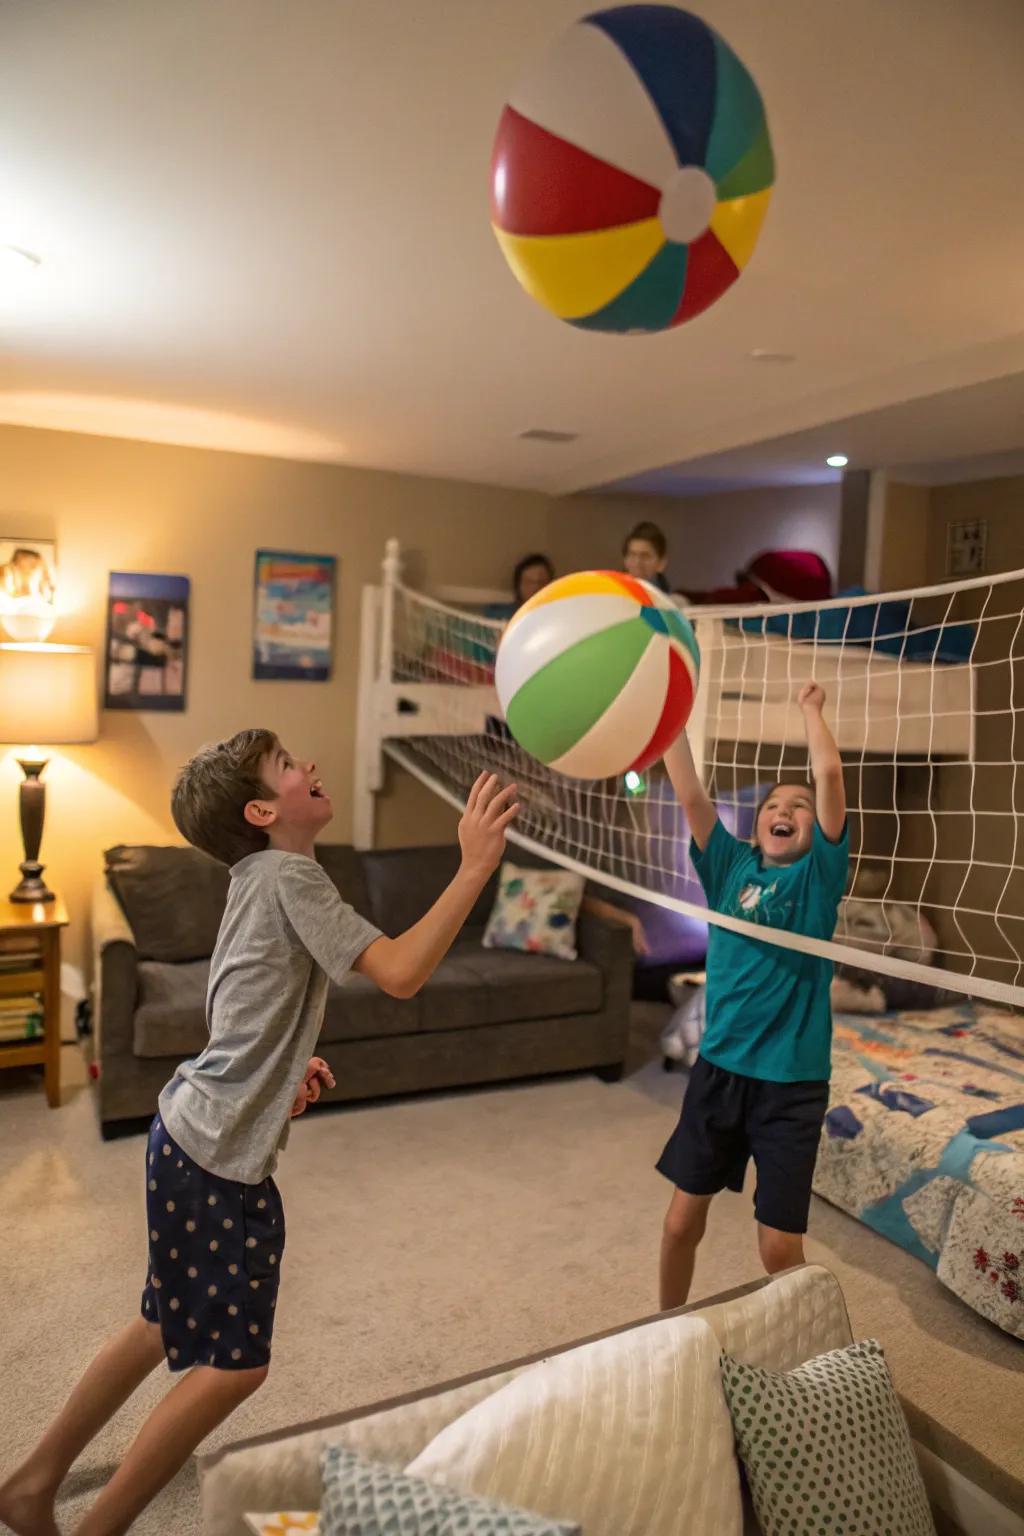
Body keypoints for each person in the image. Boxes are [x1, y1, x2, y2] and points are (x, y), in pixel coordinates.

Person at [0, 732, 517, 1536]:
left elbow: (242, 1000)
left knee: (160, 1322)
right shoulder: (291, 876)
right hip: (210, 1158)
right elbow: (403, 974)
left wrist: (279, 1077)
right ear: (262, 810)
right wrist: (474, 866)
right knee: (235, 1367)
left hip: (190, 1132)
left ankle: (32, 1485)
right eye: (289, 766)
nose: (310, 766)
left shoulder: (258, 876)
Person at [656, 682, 847, 1309]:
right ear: (758, 821)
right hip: (719, 1072)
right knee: (681, 1223)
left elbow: (830, 775)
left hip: (790, 1086)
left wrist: (811, 713)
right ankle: (665, 1326)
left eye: (799, 805)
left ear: (812, 826)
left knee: (778, 1252)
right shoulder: (731, 866)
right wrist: (669, 709)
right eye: (772, 804)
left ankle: (808, 1361)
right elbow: (688, 789)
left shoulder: (817, 877)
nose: (783, 810)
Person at [485, 552, 555, 622]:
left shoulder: (555, 616)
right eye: (529, 582)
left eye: (541, 582)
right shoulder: (499, 614)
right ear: (518, 586)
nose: (535, 588)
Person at [622, 521, 671, 594]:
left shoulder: (672, 603)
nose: (637, 562)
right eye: (632, 555)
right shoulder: (613, 595)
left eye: (645, 556)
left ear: (661, 563)